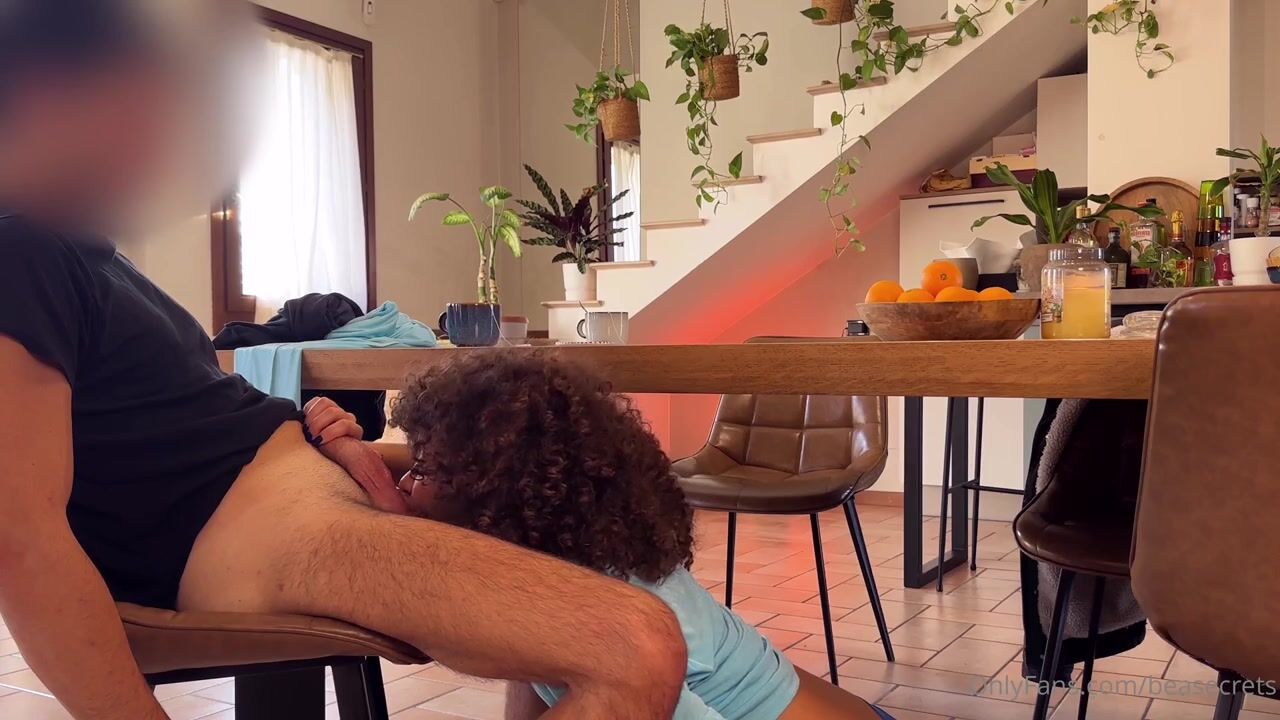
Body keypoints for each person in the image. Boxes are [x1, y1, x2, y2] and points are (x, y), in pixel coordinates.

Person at [0, 2, 685, 719]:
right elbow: (21, 536)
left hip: (306, 490)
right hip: (262, 536)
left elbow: (168, 422)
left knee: (574, 492)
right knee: (635, 647)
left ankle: (737, 684)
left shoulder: (89, 259)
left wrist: (315, 429)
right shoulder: (18, 252)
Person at [304, 354, 897, 720]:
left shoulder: (615, 610)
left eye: (421, 469)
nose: (405, 480)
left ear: (489, 495)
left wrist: (388, 509)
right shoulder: (555, 552)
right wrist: (356, 453)